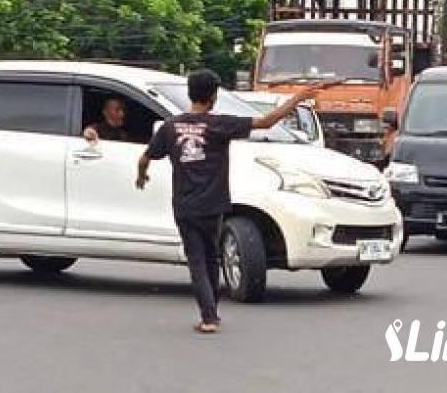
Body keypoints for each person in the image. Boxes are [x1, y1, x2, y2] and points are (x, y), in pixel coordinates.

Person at [136, 69, 325, 334]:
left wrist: (141, 176)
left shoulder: (171, 127)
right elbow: (267, 122)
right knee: (212, 257)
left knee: (197, 261)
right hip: (213, 205)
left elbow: (146, 158)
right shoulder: (219, 125)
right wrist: (298, 98)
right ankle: (211, 313)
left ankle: (209, 316)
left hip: (185, 207)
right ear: (212, 97)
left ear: (191, 93)